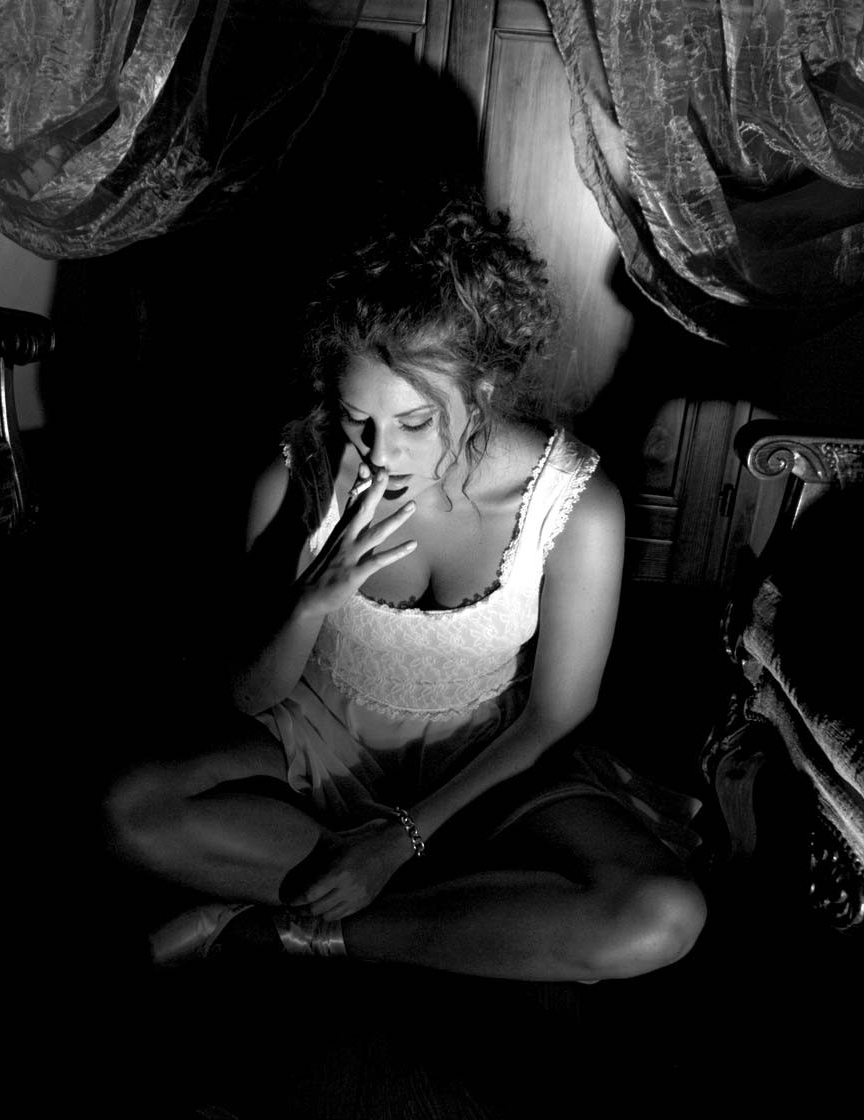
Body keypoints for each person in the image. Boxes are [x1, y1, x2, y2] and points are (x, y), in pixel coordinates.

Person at [103, 197, 706, 980]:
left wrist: (400, 840)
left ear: (484, 386)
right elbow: (248, 696)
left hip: (484, 770)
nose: (381, 455)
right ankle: (463, 918)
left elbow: (555, 715)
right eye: (358, 420)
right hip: (314, 751)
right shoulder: (298, 478)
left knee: (662, 915)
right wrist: (311, 601)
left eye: (415, 423)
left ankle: (286, 929)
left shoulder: (577, 505)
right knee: (130, 813)